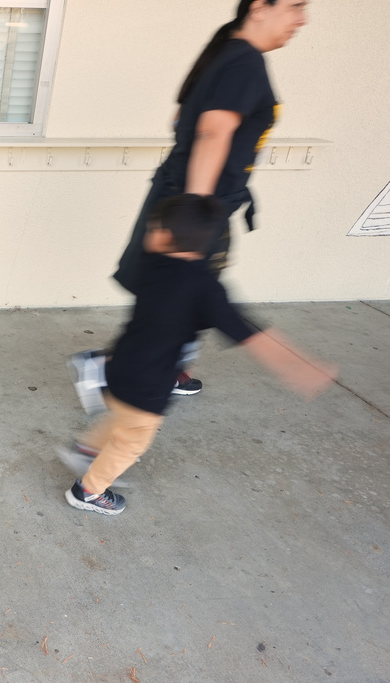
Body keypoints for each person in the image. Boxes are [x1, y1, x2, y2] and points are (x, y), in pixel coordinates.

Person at [68, 0, 310, 410]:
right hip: (196, 208)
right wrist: (192, 220)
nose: (301, 19)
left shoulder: (227, 54)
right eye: (295, 6)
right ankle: (107, 367)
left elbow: (184, 120)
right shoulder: (242, 62)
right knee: (185, 297)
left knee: (179, 299)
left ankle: (146, 369)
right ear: (258, 8)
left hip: (194, 204)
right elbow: (212, 133)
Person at [58, 194, 335, 515]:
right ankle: (89, 491)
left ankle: (88, 449)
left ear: (162, 236)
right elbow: (249, 333)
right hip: (149, 383)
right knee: (132, 440)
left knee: (122, 417)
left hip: (117, 366)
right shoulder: (206, 289)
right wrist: (299, 367)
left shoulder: (151, 264)